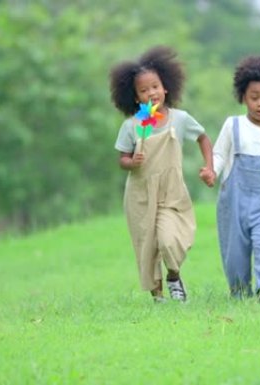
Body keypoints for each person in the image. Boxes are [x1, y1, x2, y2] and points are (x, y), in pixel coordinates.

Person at [109, 46, 214, 303]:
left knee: (169, 240)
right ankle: (158, 297)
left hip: (171, 192)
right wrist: (131, 161)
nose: (151, 93)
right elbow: (122, 159)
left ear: (165, 87)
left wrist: (209, 166)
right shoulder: (133, 125)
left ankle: (174, 276)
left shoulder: (179, 119)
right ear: (135, 98)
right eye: (143, 90)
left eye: (155, 86)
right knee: (148, 245)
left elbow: (202, 138)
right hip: (140, 194)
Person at [207, 55, 260, 302]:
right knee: (235, 252)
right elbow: (219, 155)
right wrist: (211, 170)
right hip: (233, 204)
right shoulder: (233, 125)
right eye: (254, 97)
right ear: (243, 96)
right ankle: (239, 292)